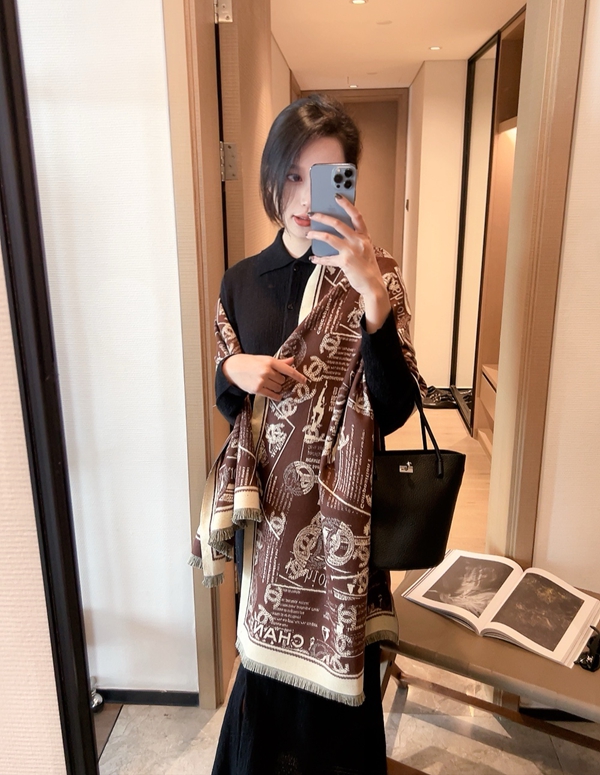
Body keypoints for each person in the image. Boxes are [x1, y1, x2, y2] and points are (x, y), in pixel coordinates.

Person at [189, 94, 425, 775]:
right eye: (291, 175)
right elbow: (235, 409)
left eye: (322, 179)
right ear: (271, 175)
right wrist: (232, 368)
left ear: (346, 184)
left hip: (345, 531)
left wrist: (373, 299)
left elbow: (396, 409)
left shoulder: (377, 276)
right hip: (269, 529)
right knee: (264, 695)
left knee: (339, 708)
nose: (302, 197)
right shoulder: (242, 282)